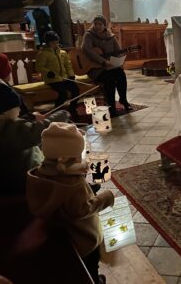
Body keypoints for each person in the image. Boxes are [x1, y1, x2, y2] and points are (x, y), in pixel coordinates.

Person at [26, 122, 114, 284]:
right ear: (67, 157)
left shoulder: (41, 173)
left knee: (79, 267)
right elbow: (80, 209)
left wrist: (88, 189)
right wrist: (105, 198)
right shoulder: (72, 182)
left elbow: (61, 198)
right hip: (82, 238)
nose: (80, 157)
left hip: (60, 232)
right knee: (90, 264)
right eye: (77, 154)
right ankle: (93, 279)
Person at [0, 85, 69, 195]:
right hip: (23, 182)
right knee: (66, 169)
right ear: (3, 111)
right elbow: (37, 131)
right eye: (17, 107)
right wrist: (62, 114)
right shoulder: (6, 130)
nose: (19, 111)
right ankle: (75, 195)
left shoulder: (6, 125)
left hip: (16, 178)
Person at [82, 15, 131, 117]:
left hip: (109, 66)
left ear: (104, 25)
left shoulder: (111, 36)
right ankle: (111, 107)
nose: (97, 26)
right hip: (95, 68)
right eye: (95, 24)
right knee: (110, 81)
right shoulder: (89, 35)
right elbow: (87, 49)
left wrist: (119, 62)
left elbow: (118, 51)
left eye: (100, 24)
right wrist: (103, 61)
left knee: (121, 75)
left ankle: (123, 99)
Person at [35, 31, 80, 115]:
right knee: (63, 93)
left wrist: (71, 75)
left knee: (76, 90)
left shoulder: (62, 53)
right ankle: (56, 112)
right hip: (53, 79)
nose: (55, 44)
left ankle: (72, 108)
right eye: (52, 42)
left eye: (56, 42)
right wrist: (48, 72)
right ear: (48, 43)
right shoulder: (43, 54)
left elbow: (68, 65)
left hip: (64, 77)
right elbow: (39, 67)